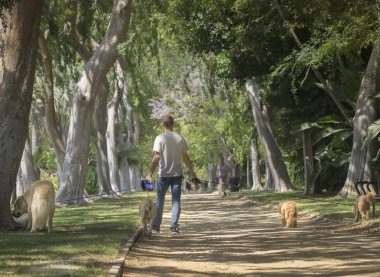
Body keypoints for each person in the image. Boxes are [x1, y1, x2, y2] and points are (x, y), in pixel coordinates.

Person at [145, 115, 199, 235]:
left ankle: (156, 227)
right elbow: (186, 158)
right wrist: (193, 174)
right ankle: (174, 227)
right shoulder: (179, 138)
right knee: (176, 202)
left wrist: (149, 174)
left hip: (163, 175)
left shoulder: (159, 138)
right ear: (173, 124)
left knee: (159, 201)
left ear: (163, 125)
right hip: (176, 175)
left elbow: (157, 157)